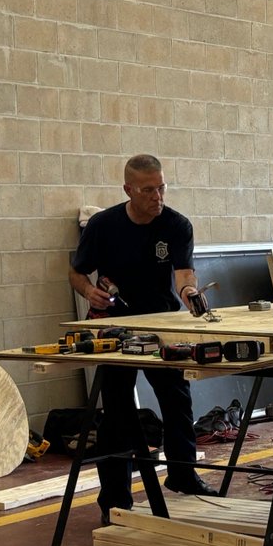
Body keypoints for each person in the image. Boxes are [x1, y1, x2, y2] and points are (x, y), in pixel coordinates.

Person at [69, 154, 218, 524]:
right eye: (148, 190)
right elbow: (76, 273)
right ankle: (115, 498)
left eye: (162, 187)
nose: (157, 196)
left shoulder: (176, 225)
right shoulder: (103, 225)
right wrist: (88, 292)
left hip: (161, 322)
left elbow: (184, 274)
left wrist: (190, 294)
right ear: (128, 190)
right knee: (117, 412)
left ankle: (183, 473)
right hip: (115, 326)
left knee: (176, 398)